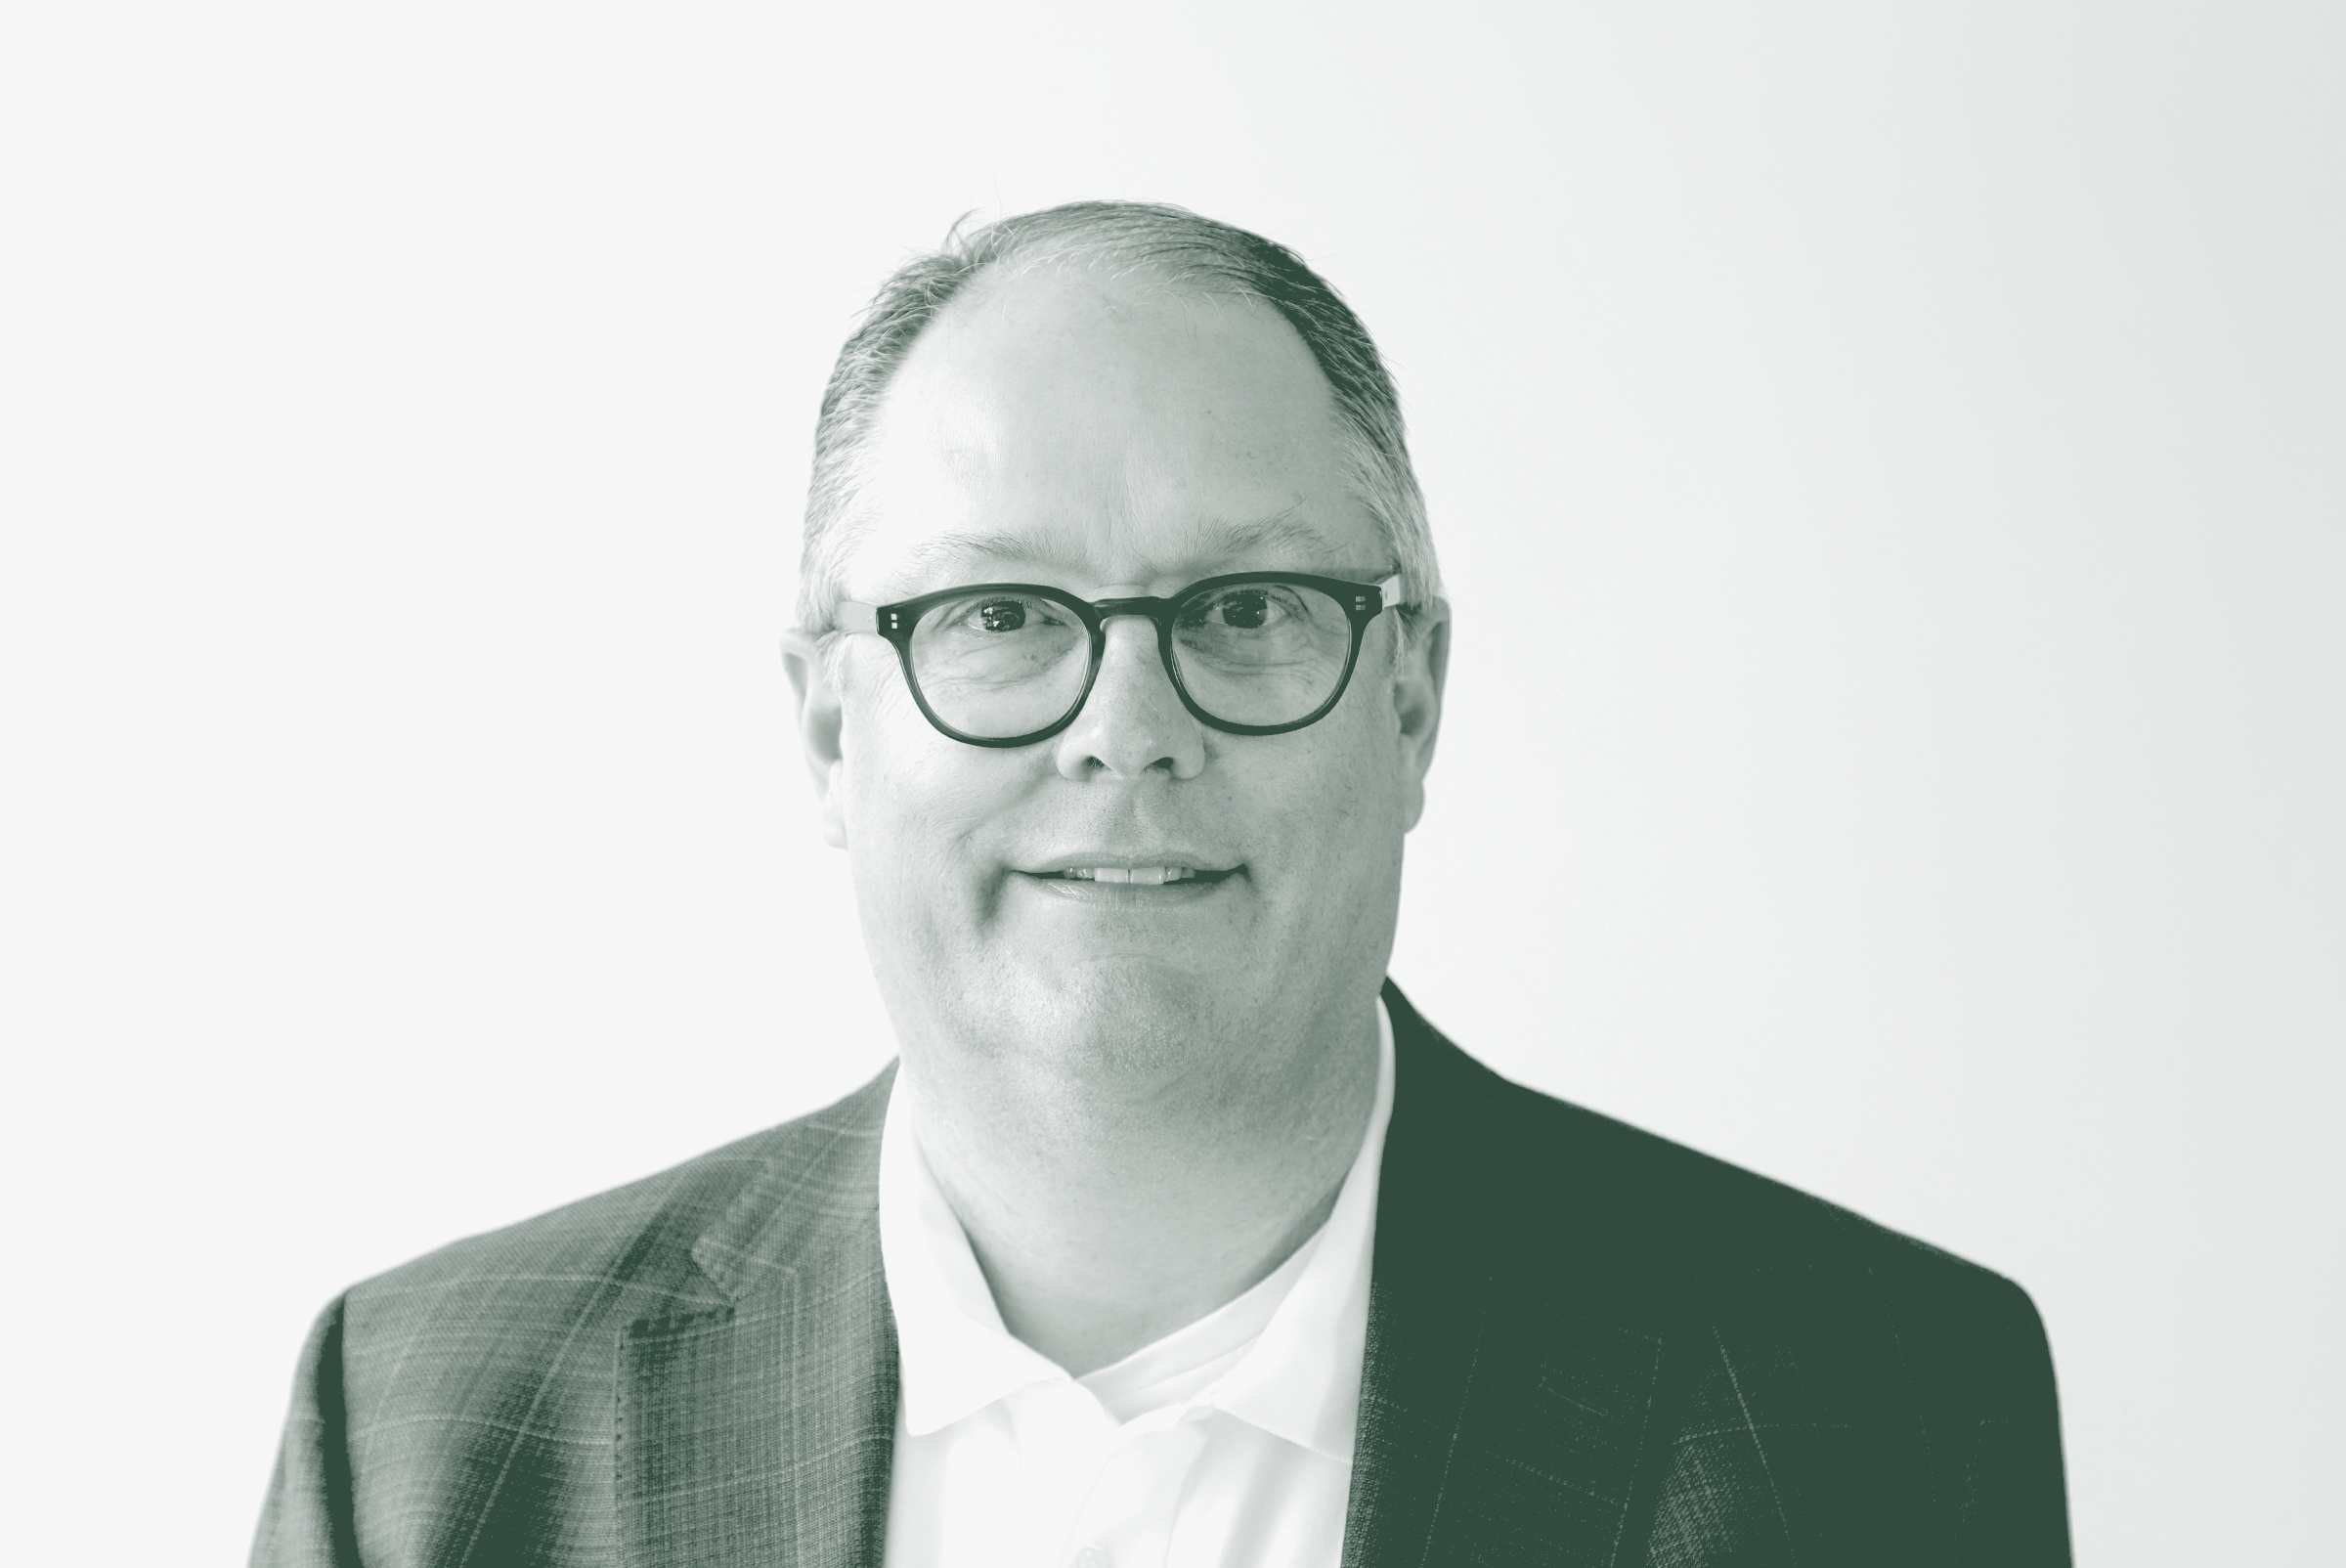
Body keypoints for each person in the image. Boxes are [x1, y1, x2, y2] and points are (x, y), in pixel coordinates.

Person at [251, 201, 2070, 1567]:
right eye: (998, 617)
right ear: (829, 729)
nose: (1126, 730)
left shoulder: (1872, 1412)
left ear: (1414, 698)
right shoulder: (423, 1440)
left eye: (1249, 611)